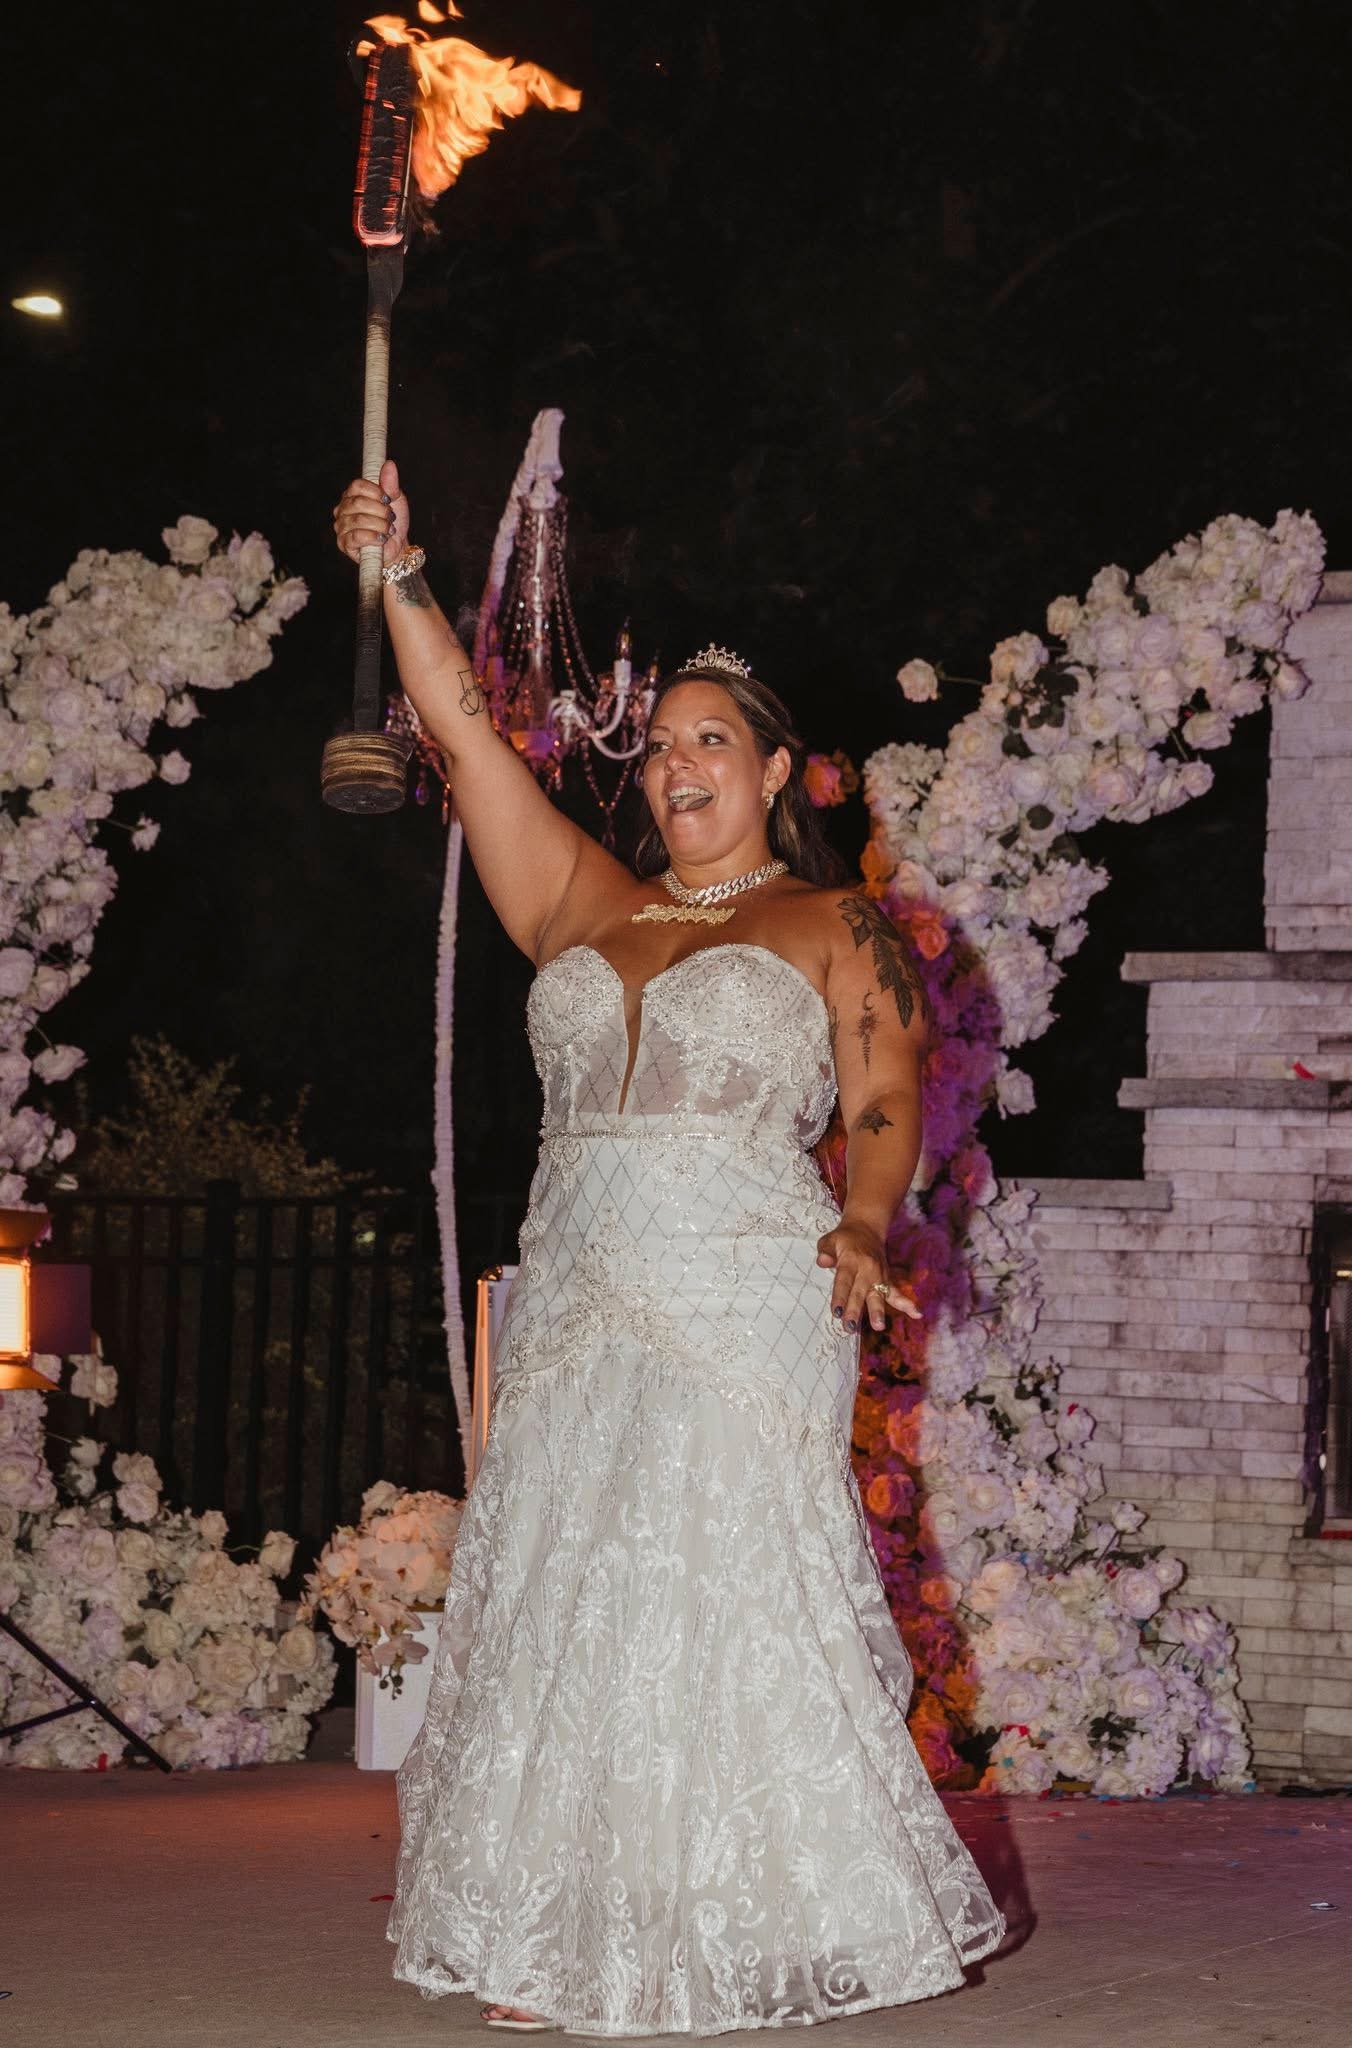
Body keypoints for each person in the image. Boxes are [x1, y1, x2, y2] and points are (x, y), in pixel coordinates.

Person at [333, 465, 1007, 2036]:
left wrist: (859, 1220)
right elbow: (464, 733)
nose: (680, 759)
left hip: (740, 1284)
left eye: (716, 737)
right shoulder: (587, 901)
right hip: (576, 1294)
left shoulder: (837, 928)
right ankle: (570, 1935)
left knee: (701, 1597)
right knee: (572, 1600)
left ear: (776, 773)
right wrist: (404, 577)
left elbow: (887, 1092)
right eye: (666, 742)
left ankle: (735, 1927)